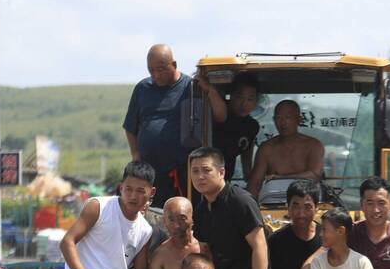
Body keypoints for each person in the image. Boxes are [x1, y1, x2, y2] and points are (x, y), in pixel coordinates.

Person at [123, 44, 227, 207]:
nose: (156, 75)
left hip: (181, 173)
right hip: (150, 172)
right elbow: (130, 125)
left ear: (174, 65)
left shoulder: (192, 88)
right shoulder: (142, 89)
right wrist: (135, 153)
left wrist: (210, 90)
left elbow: (221, 117)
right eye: (151, 70)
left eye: (161, 69)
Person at [141, 196, 211, 269]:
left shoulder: (205, 247)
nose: (176, 225)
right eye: (171, 219)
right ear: (164, 221)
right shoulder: (161, 255)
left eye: (182, 218)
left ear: (192, 218)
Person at [247, 100, 324, 197]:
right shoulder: (267, 148)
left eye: (288, 117)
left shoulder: (313, 145)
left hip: (305, 203)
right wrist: (248, 207)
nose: (283, 122)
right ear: (274, 120)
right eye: (278, 118)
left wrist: (279, 177)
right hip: (273, 203)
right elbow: (255, 183)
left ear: (299, 119)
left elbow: (315, 175)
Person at [212, 73, 260, 180]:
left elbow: (247, 147)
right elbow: (221, 116)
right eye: (239, 97)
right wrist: (212, 90)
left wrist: (247, 173)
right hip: (208, 174)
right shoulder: (218, 113)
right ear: (231, 96)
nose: (244, 104)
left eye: (250, 99)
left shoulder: (252, 126)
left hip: (226, 177)